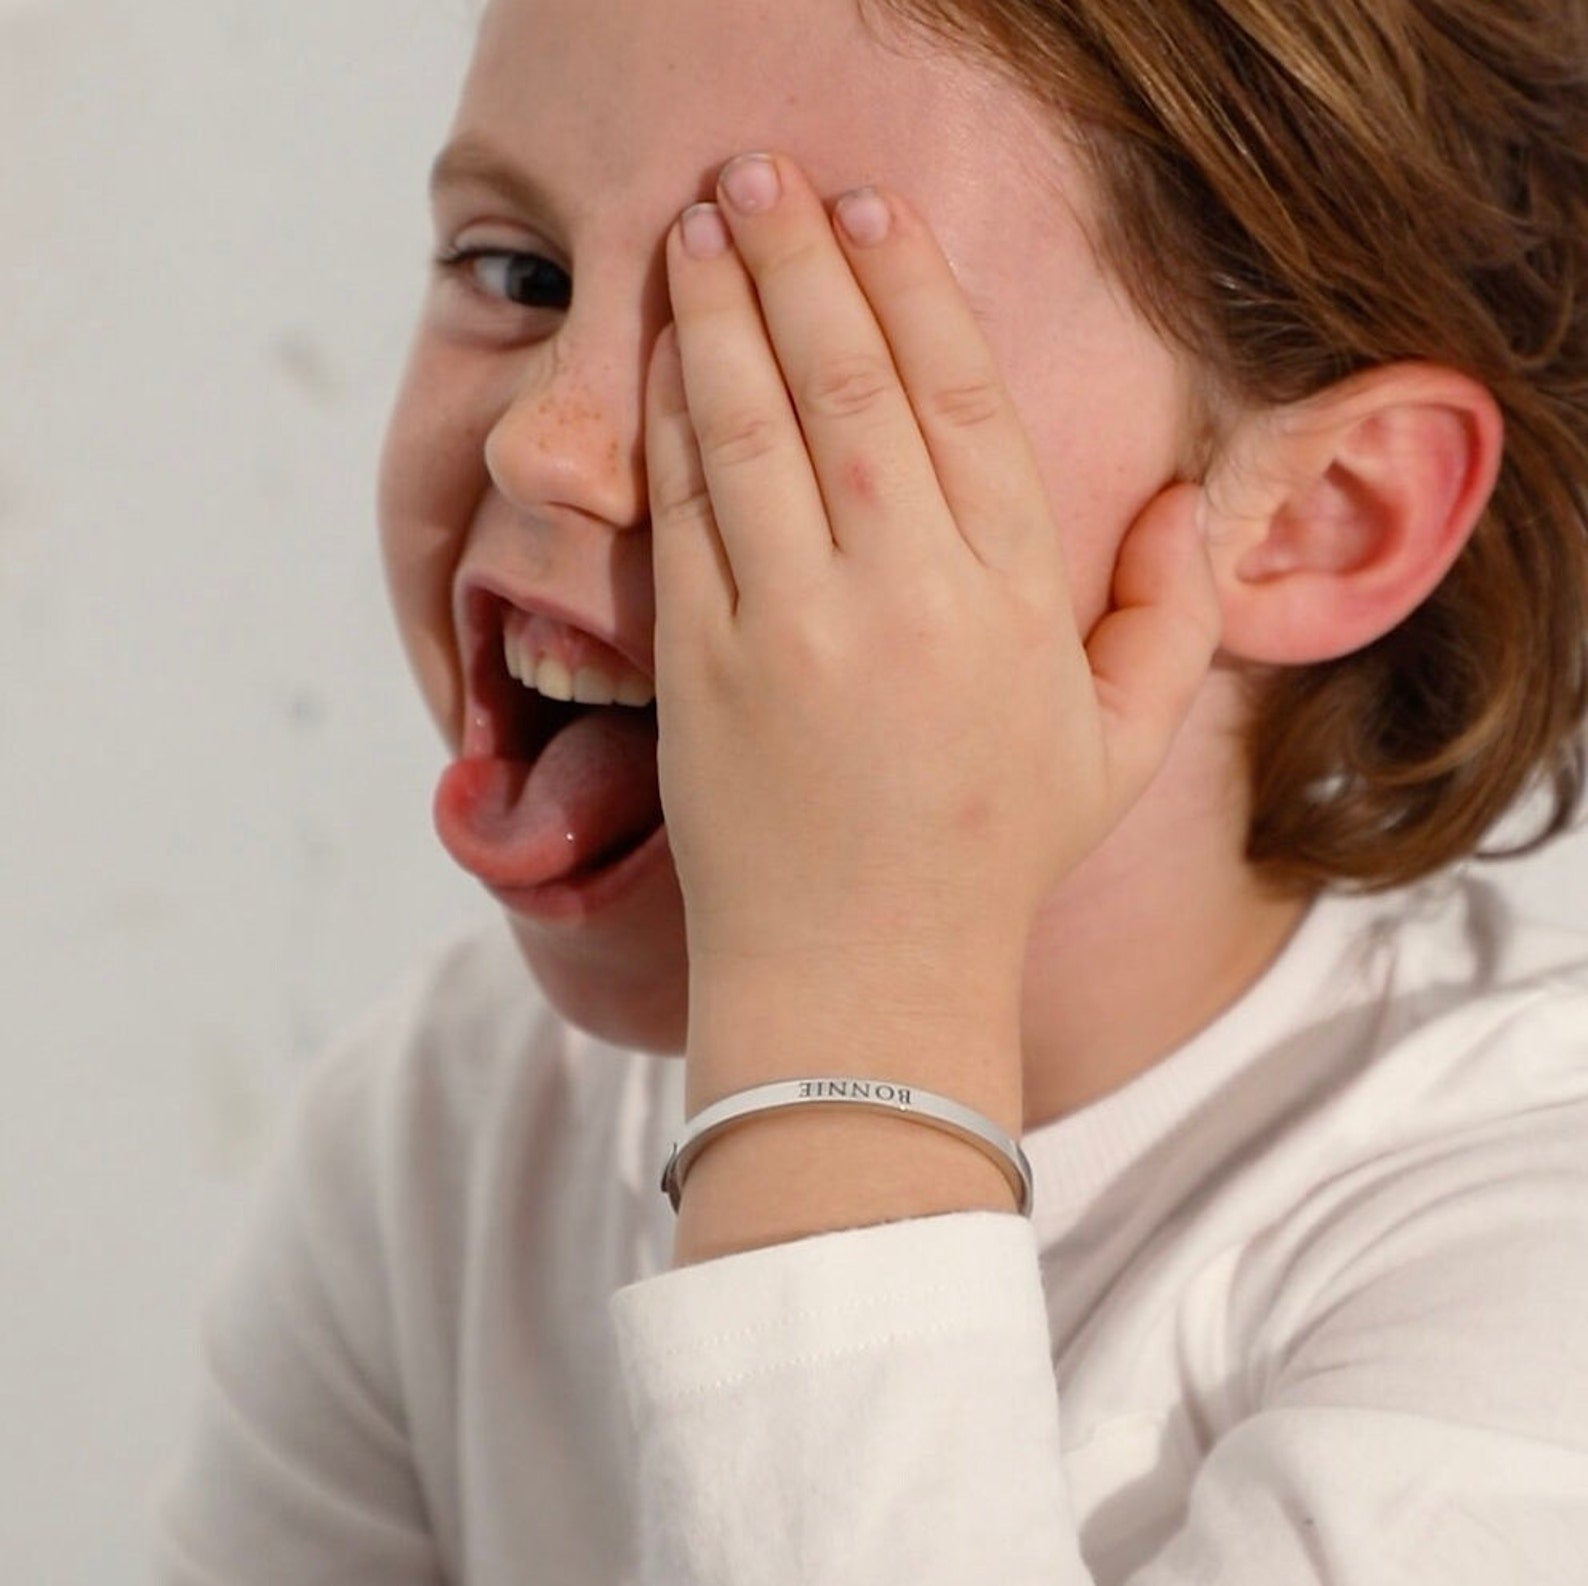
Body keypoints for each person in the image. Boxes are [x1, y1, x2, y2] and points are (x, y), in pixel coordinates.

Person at [153, 0, 1588, 1579]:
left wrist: (854, 1002)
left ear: (1325, 514)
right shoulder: (450, 1136)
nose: (549, 443)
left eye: (793, 342)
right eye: (520, 274)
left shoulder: (1522, 1294)